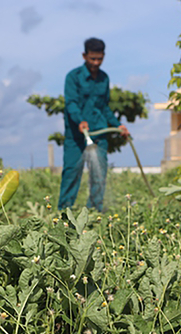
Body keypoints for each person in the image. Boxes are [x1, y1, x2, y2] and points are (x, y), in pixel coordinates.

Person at [58, 37, 129, 212]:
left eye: (100, 58)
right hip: (76, 136)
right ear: (84, 56)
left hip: (99, 134)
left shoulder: (104, 78)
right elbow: (71, 104)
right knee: (71, 174)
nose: (96, 62)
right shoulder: (73, 77)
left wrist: (118, 125)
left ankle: (94, 213)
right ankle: (64, 213)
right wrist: (79, 121)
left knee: (99, 175)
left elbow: (104, 107)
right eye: (92, 58)